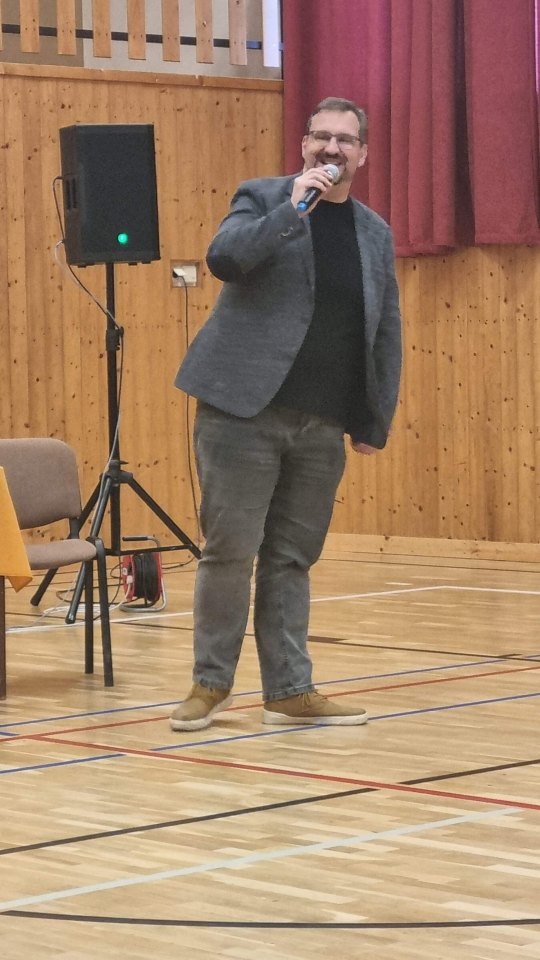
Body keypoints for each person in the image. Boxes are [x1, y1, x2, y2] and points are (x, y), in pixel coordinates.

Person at [170, 96, 402, 731]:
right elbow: (225, 258)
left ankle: (290, 690)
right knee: (229, 551)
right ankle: (210, 684)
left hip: (322, 422)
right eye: (321, 136)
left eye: (345, 140)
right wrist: (290, 211)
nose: (331, 148)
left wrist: (374, 419)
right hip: (242, 412)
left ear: (363, 154)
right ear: (304, 145)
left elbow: (385, 329)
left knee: (292, 557)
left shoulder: (374, 233)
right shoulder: (263, 198)